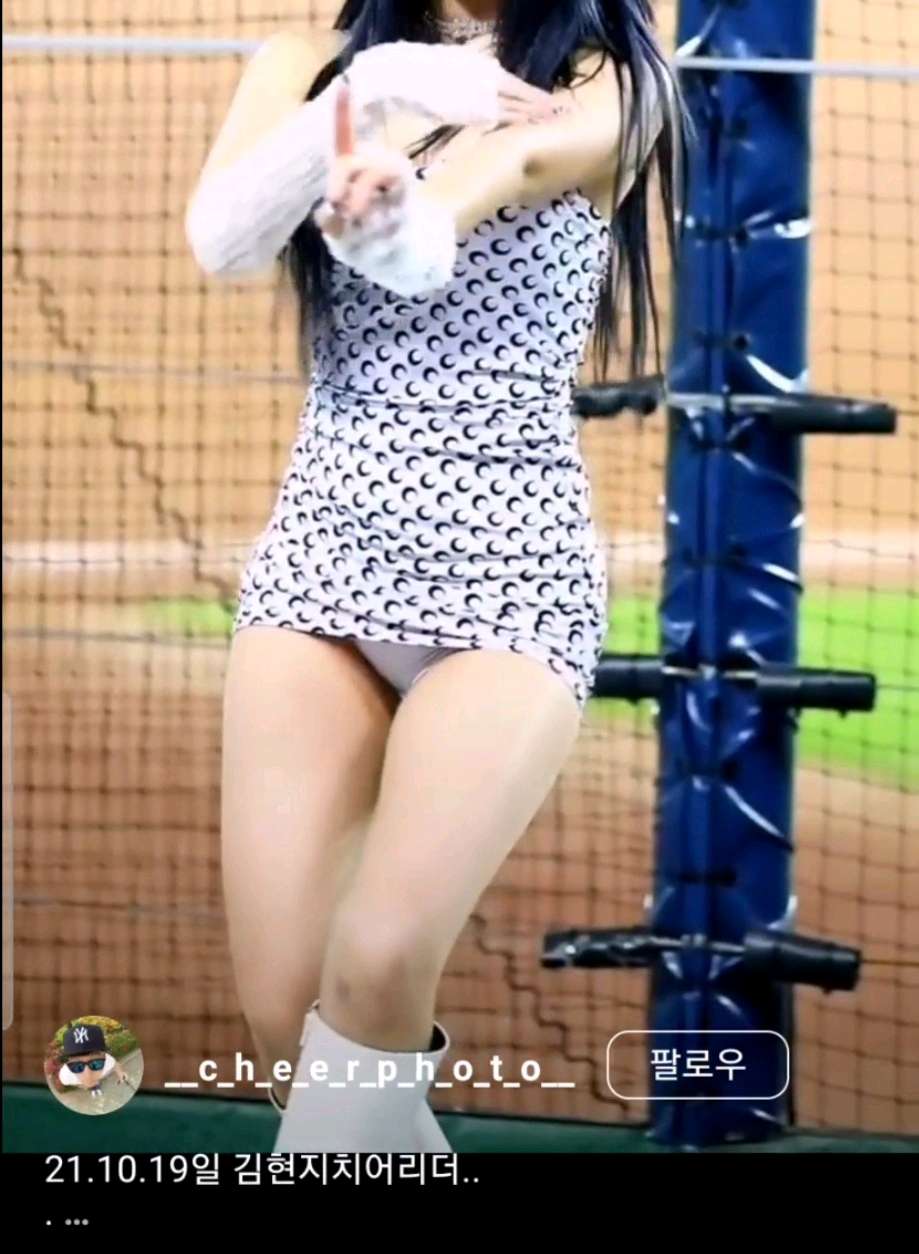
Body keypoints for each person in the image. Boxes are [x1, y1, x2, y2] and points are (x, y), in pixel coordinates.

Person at [184, 0, 686, 1152]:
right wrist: (375, 93)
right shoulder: (308, 63)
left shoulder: (611, 77)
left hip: (509, 582)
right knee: (286, 1021)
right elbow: (222, 240)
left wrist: (391, 215)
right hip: (319, 565)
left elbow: (490, 180)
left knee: (376, 960)